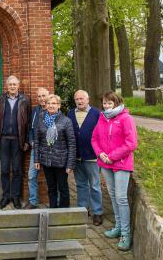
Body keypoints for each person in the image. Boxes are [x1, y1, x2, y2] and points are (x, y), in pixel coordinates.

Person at [92, 91, 138, 251]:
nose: (106, 106)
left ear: (117, 103)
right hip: (105, 163)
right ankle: (118, 227)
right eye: (104, 103)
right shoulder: (102, 118)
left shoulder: (126, 118)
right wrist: (100, 154)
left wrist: (112, 156)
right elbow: (94, 139)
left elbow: (131, 143)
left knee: (121, 198)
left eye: (109, 103)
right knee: (112, 195)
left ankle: (126, 234)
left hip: (121, 163)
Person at [0, 75, 31, 209]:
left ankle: (15, 197)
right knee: (4, 170)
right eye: (10, 84)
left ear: (18, 85)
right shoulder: (0, 100)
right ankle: (5, 196)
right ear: (7, 86)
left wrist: (27, 140)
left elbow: (27, 123)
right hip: (4, 139)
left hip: (18, 139)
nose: (12, 86)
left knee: (17, 170)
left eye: (14, 84)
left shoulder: (25, 100)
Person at [67, 90, 103, 225]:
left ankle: (97, 212)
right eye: (77, 99)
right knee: (81, 184)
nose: (79, 101)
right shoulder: (70, 113)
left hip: (92, 157)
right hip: (77, 157)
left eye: (82, 99)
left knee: (94, 185)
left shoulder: (97, 114)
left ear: (88, 100)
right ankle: (83, 210)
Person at [34, 94, 76, 208]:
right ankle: (53, 210)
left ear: (59, 105)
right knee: (51, 188)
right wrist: (36, 159)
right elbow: (37, 141)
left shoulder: (66, 121)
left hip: (61, 162)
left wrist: (70, 164)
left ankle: (63, 214)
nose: (51, 105)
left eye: (54, 103)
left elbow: (71, 144)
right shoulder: (41, 119)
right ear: (45, 105)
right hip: (47, 161)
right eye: (48, 103)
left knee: (63, 189)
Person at [24, 87, 49, 209]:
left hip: (50, 150)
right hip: (36, 150)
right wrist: (31, 141)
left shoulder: (53, 110)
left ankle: (56, 201)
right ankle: (33, 201)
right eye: (39, 96)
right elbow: (30, 129)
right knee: (31, 175)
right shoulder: (35, 111)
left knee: (52, 176)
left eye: (43, 96)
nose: (41, 99)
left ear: (48, 96)